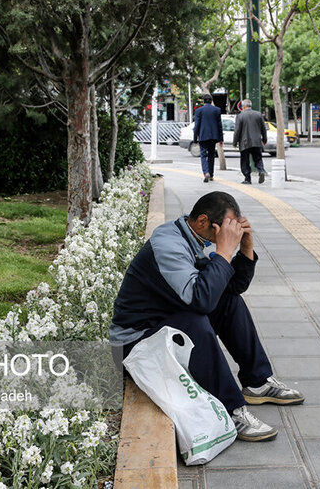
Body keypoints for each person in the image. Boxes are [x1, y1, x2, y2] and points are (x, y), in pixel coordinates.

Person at [110, 192, 305, 442]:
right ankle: (231, 410)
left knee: (230, 302)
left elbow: (230, 289)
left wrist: (245, 247)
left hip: (162, 324)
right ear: (203, 221)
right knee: (195, 322)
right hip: (133, 345)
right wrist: (224, 251)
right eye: (226, 229)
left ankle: (257, 382)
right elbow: (201, 300)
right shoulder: (169, 244)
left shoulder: (191, 237)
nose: (229, 236)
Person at [232, 99, 267, 184]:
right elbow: (263, 128)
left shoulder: (240, 116)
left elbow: (237, 130)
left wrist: (234, 142)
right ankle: (261, 170)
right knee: (258, 158)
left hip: (245, 142)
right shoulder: (258, 114)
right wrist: (264, 139)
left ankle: (247, 178)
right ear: (250, 106)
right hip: (257, 141)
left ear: (243, 106)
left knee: (245, 161)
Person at [193, 94, 223, 183]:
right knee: (211, 156)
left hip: (203, 136)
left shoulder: (199, 111)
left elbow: (196, 125)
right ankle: (211, 175)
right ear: (211, 100)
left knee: (203, 155)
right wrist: (221, 139)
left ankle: (206, 172)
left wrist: (195, 139)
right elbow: (219, 125)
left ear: (203, 101)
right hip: (213, 137)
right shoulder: (217, 110)